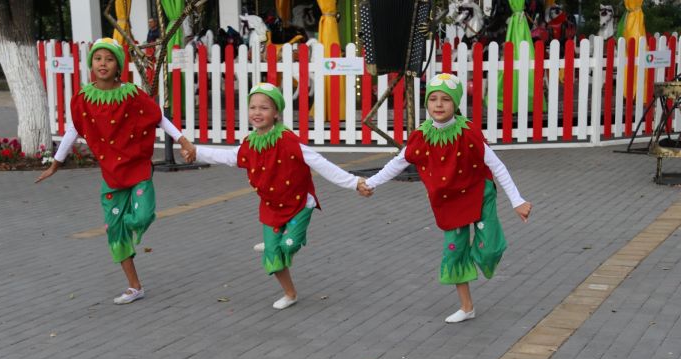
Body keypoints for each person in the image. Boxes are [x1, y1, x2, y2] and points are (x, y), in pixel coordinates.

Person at [181, 82, 372, 309]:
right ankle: (290, 294)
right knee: (273, 259)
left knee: (289, 246)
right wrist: (196, 151)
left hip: (300, 203)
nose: (257, 112)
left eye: (264, 108)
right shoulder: (250, 144)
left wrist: (354, 182)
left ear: (276, 112)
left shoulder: (288, 141)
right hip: (271, 208)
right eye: (253, 107)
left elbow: (319, 163)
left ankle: (285, 240)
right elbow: (229, 157)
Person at [361, 73, 532, 323]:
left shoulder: (468, 132)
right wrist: (371, 183)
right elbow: (398, 163)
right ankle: (467, 307)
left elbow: (496, 165)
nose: (438, 104)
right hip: (450, 202)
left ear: (455, 104)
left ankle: (479, 255)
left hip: (478, 193)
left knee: (489, 249)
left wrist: (517, 200)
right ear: (427, 103)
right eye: (433, 99)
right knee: (454, 254)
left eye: (445, 99)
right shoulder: (422, 136)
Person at [36, 37, 195, 305]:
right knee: (115, 231)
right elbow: (75, 129)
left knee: (142, 216)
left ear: (117, 65)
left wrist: (183, 140)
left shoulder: (132, 94)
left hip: (137, 169)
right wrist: (56, 162)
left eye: (109, 59)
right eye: (98, 58)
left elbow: (157, 116)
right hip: (111, 175)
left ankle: (129, 230)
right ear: (91, 64)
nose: (103, 63)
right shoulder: (83, 99)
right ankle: (134, 286)